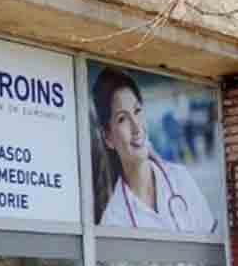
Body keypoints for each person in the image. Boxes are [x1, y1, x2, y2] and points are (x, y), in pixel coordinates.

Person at [92, 66, 217, 234]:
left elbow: (214, 245)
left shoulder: (181, 179)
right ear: (108, 137)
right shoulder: (113, 221)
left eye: (137, 111)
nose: (136, 127)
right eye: (122, 119)